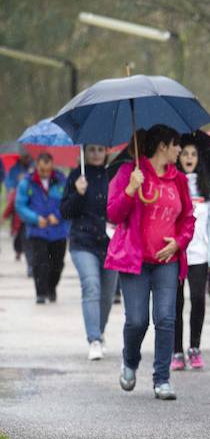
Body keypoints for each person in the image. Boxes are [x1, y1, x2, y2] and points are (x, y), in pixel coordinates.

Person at [106, 125, 195, 401]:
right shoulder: (129, 174)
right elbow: (113, 214)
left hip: (166, 261)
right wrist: (131, 189)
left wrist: (179, 242)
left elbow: (189, 218)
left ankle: (162, 379)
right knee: (137, 321)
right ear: (163, 147)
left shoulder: (178, 180)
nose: (180, 150)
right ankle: (130, 361)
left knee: (166, 318)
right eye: (176, 145)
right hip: (135, 260)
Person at [60, 144, 118, 360]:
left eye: (100, 149)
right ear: (84, 152)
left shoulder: (113, 175)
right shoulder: (77, 175)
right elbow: (65, 211)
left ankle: (100, 332)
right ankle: (93, 339)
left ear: (106, 152)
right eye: (91, 149)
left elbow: (121, 207)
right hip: (83, 243)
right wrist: (78, 193)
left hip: (110, 244)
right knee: (91, 286)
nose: (96, 153)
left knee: (107, 295)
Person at [171, 137, 210, 371]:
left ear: (198, 159)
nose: (189, 158)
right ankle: (176, 352)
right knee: (176, 303)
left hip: (200, 255)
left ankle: (194, 348)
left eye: (193, 154)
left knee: (198, 299)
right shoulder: (171, 184)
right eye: (185, 154)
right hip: (175, 254)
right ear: (178, 157)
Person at [15, 152, 68, 303]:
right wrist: (35, 218)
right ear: (37, 166)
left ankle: (51, 287)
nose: (45, 173)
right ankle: (41, 292)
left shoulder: (61, 181)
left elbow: (68, 202)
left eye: (48, 170)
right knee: (40, 262)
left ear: (52, 166)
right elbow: (20, 205)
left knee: (57, 263)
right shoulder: (27, 182)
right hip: (37, 230)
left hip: (58, 231)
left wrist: (57, 216)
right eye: (42, 170)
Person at [5, 153, 34, 272]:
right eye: (25, 157)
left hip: (31, 204)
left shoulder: (33, 166)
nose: (27, 159)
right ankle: (19, 250)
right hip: (17, 200)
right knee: (18, 232)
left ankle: (29, 262)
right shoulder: (14, 168)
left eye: (28, 157)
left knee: (27, 236)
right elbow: (9, 183)